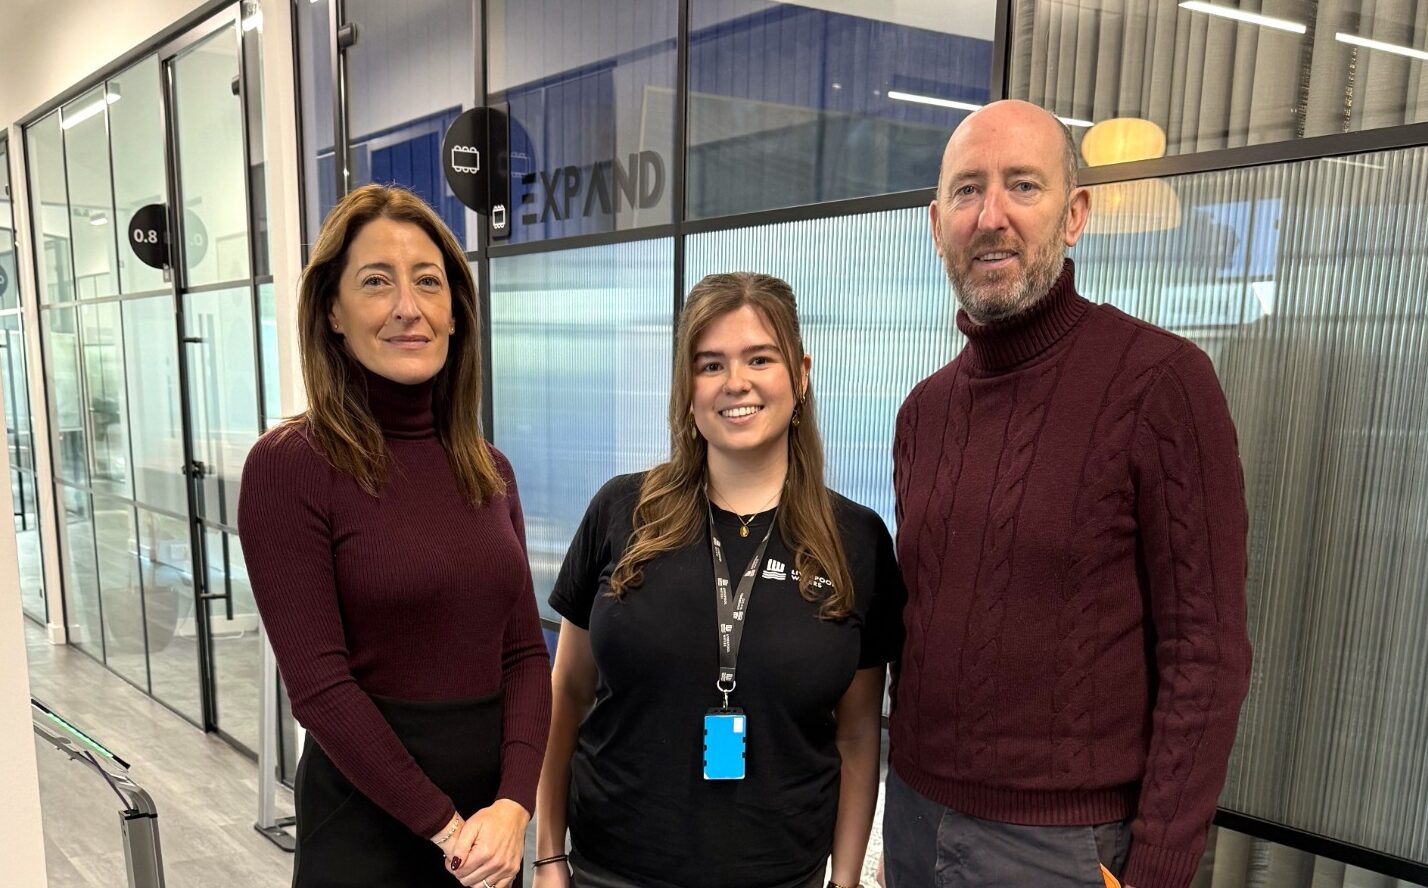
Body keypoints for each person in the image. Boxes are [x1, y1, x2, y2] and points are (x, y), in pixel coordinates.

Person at [884, 100, 1252, 888]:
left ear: (1075, 213)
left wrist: (1156, 871)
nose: (992, 216)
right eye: (966, 191)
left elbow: (1207, 656)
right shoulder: (923, 412)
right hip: (914, 815)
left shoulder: (1162, 385)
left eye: (1023, 186)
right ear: (935, 221)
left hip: (1062, 851)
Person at [533, 273, 905, 888]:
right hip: (611, 870)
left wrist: (844, 883)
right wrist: (548, 857)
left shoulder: (855, 540)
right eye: (710, 365)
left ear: (801, 374)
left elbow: (859, 732)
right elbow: (566, 693)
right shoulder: (623, 511)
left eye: (760, 358)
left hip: (782, 873)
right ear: (687, 389)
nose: (736, 382)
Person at [238, 184, 551, 888]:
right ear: (333, 312)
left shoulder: (487, 467)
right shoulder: (291, 466)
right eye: (377, 282)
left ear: (455, 311)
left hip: (490, 838)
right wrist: (448, 829)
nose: (408, 308)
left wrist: (512, 807)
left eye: (429, 282)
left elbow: (527, 654)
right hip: (369, 829)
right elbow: (318, 686)